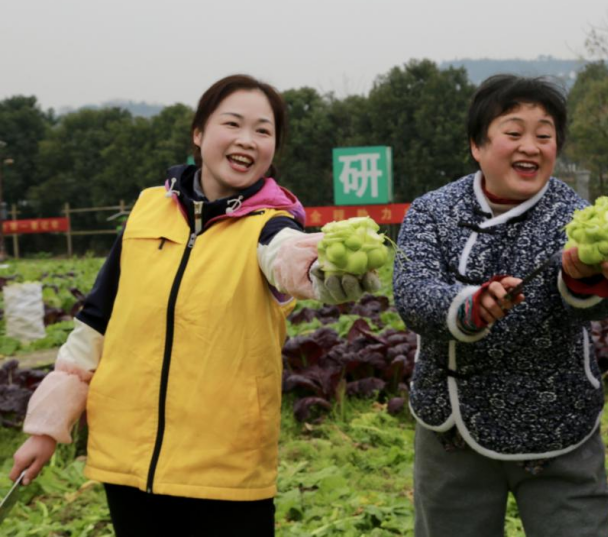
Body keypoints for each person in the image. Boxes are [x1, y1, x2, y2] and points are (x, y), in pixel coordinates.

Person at [8, 74, 376, 536]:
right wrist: (46, 428)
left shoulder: (270, 225)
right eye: (233, 124)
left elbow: (289, 257)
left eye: (263, 131)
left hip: (224, 468)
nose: (247, 140)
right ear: (198, 133)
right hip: (128, 460)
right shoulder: (147, 211)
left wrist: (323, 270)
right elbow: (96, 321)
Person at [393, 74, 608, 537]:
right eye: (514, 132)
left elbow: (605, 304)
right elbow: (413, 292)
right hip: (453, 430)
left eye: (544, 135)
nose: (531, 147)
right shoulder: (433, 211)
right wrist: (470, 307)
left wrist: (584, 277)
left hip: (557, 422)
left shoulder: (576, 217)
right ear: (477, 146)